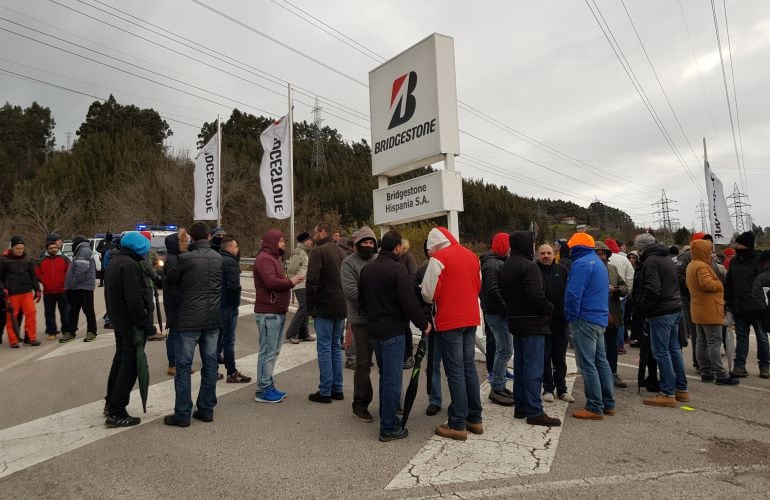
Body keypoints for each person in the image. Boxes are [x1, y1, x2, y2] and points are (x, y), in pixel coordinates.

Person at [360, 230, 430, 442]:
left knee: (384, 376)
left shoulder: (367, 268)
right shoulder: (397, 270)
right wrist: (424, 324)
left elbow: (361, 300)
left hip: (374, 330)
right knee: (392, 379)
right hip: (392, 332)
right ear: (398, 248)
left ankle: (386, 417)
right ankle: (388, 427)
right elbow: (409, 303)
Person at [422, 227, 483, 441]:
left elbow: (428, 294)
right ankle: (475, 418)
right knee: (469, 368)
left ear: (434, 246)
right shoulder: (472, 256)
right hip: (471, 318)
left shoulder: (439, 258)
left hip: (449, 320)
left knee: (454, 371)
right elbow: (478, 286)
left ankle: (457, 422)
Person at [164, 222, 222, 427]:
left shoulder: (184, 259)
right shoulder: (218, 258)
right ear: (208, 237)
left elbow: (170, 282)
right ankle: (206, 409)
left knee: (183, 366)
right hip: (213, 319)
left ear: (191, 238)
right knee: (210, 365)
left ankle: (182, 413)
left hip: (188, 320)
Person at [501, 231, 560, 427]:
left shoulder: (507, 265)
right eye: (533, 243)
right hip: (533, 323)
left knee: (520, 366)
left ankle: (521, 406)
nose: (534, 247)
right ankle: (535, 410)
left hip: (515, 321)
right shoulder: (529, 266)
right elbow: (535, 295)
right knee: (534, 368)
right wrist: (549, 308)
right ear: (527, 244)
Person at [564, 233, 615, 420]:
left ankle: (594, 406)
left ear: (577, 247)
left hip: (584, 319)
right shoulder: (598, 262)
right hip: (599, 318)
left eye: (571, 246)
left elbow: (573, 293)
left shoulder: (581, 264)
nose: (569, 249)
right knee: (601, 361)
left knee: (587, 364)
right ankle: (608, 403)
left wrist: (570, 315)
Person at [634, 233, 688, 407]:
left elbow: (652, 289)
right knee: (674, 350)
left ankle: (667, 392)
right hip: (675, 308)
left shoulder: (650, 262)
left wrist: (643, 308)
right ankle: (681, 389)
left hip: (661, 311)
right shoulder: (667, 259)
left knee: (661, 352)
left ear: (641, 248)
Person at [103, 231, 151, 427]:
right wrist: (143, 322)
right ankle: (117, 410)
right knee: (130, 367)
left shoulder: (115, 262)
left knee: (120, 361)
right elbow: (133, 298)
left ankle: (110, 402)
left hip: (119, 320)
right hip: (130, 323)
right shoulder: (130, 265)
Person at [253, 230, 303, 403]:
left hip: (276, 311)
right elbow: (270, 282)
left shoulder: (273, 258)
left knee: (273, 351)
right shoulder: (264, 259)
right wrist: (291, 282)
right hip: (269, 313)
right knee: (267, 352)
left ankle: (267, 383)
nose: (283, 244)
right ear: (272, 242)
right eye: (281, 241)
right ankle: (262, 390)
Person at [687, 239, 739, 385]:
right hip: (709, 309)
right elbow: (707, 284)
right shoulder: (702, 267)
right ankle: (720, 374)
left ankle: (705, 371)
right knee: (714, 342)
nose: (711, 253)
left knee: (701, 342)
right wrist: (720, 284)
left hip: (698, 309)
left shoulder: (692, 265)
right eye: (709, 250)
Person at [306, 223, 348, 404]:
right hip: (341, 305)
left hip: (324, 305)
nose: (313, 235)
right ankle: (337, 388)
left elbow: (312, 280)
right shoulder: (341, 252)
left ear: (323, 232)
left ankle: (325, 391)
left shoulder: (318, 251)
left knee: (324, 347)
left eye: (315, 232)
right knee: (335, 347)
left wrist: (310, 306)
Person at [341, 226, 378, 422]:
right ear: (357, 244)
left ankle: (391, 400)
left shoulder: (379, 260)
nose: (368, 245)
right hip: (361, 321)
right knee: (363, 364)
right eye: (364, 242)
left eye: (371, 242)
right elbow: (351, 292)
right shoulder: (349, 263)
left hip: (381, 320)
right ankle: (360, 404)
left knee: (387, 363)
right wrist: (378, 301)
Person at [725, 231, 768, 378]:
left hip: (758, 308)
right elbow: (729, 282)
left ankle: (764, 366)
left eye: (740, 243)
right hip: (739, 307)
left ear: (748, 245)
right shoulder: (735, 261)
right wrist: (729, 301)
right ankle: (740, 366)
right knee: (742, 337)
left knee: (762, 338)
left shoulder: (759, 260)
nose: (737, 246)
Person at [537, 243, 574, 403]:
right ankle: (548, 389)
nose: (546, 256)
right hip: (542, 323)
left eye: (549, 253)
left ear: (554, 254)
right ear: (538, 255)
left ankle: (562, 389)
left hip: (561, 321)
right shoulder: (534, 270)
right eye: (543, 253)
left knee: (560, 358)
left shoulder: (563, 271)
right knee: (545, 357)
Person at [480, 232, 513, 406]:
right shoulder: (493, 264)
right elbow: (493, 290)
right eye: (508, 245)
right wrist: (507, 309)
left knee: (504, 349)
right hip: (497, 314)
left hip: (495, 312)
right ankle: (497, 387)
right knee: (505, 350)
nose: (510, 248)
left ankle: (499, 384)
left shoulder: (495, 262)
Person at [595, 241, 629, 388]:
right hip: (595, 316)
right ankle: (598, 375)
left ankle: (613, 373)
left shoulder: (613, 269)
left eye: (603, 252)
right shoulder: (590, 269)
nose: (601, 255)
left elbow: (625, 287)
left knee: (612, 347)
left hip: (612, 313)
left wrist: (615, 289)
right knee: (598, 348)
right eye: (598, 252)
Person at [416, 240, 443, 416]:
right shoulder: (422, 270)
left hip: (450, 323)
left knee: (453, 365)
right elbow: (420, 299)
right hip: (432, 325)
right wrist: (425, 322)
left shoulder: (448, 266)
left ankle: (456, 399)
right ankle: (434, 399)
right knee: (432, 364)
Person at [0, 236, 41, 347]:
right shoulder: (4, 260)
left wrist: (37, 289)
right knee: (11, 317)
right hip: (12, 294)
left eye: (22, 248)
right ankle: (14, 341)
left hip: (27, 292)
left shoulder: (27, 259)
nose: (20, 251)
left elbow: (33, 276)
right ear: (12, 248)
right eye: (18, 248)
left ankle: (31, 338)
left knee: (31, 313)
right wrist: (3, 289)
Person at [219, 237, 250, 384]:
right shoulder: (230, 262)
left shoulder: (217, 259)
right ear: (230, 248)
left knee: (217, 340)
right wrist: (235, 304)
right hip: (227, 306)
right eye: (236, 247)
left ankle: (211, 370)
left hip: (217, 305)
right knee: (229, 340)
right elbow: (234, 286)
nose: (237, 250)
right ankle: (232, 372)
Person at [62, 235, 97, 343]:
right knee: (73, 311)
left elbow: (81, 270)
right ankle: (71, 332)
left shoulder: (84, 250)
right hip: (76, 287)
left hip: (83, 287)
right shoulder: (80, 251)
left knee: (88, 310)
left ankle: (92, 331)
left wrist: (72, 283)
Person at [163, 229, 188, 376]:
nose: (186, 243)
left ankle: (177, 363)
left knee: (177, 334)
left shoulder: (176, 257)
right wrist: (181, 302)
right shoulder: (173, 260)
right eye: (183, 241)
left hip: (175, 302)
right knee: (174, 334)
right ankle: (173, 364)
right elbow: (175, 285)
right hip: (175, 304)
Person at [35, 239, 70, 340]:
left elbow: (69, 271)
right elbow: (37, 273)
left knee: (65, 312)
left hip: (62, 290)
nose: (53, 250)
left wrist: (64, 281)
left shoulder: (64, 258)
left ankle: (66, 330)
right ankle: (51, 331)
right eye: (51, 248)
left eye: (55, 248)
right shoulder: (41, 260)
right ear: (47, 249)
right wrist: (44, 281)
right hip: (48, 291)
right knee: (49, 313)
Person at [605, 238, 634, 354]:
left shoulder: (602, 260)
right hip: (621, 295)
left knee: (606, 321)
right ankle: (619, 345)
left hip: (605, 295)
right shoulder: (624, 259)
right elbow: (630, 276)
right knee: (619, 320)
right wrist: (627, 292)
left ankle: (608, 345)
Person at [285, 232, 315, 344]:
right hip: (300, 284)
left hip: (304, 283)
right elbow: (292, 270)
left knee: (305, 308)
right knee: (303, 308)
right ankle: (291, 334)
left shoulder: (303, 252)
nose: (311, 242)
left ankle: (304, 334)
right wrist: (296, 281)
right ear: (305, 241)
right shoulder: (298, 252)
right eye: (310, 240)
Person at [138, 231, 165, 342]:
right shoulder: (146, 251)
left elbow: (156, 264)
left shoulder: (139, 251)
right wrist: (156, 276)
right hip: (146, 283)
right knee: (149, 308)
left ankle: (144, 329)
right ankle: (150, 331)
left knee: (143, 308)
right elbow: (150, 267)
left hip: (139, 283)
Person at [400, 238, 419, 369]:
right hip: (399, 296)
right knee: (402, 326)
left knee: (406, 327)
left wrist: (405, 289)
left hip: (406, 295)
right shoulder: (399, 258)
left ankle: (409, 355)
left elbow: (413, 275)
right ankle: (404, 354)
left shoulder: (408, 257)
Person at [751, 251, 770, 358]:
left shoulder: (760, 278)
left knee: (763, 338)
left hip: (764, 312)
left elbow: (755, 295)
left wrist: (759, 311)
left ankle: (765, 364)